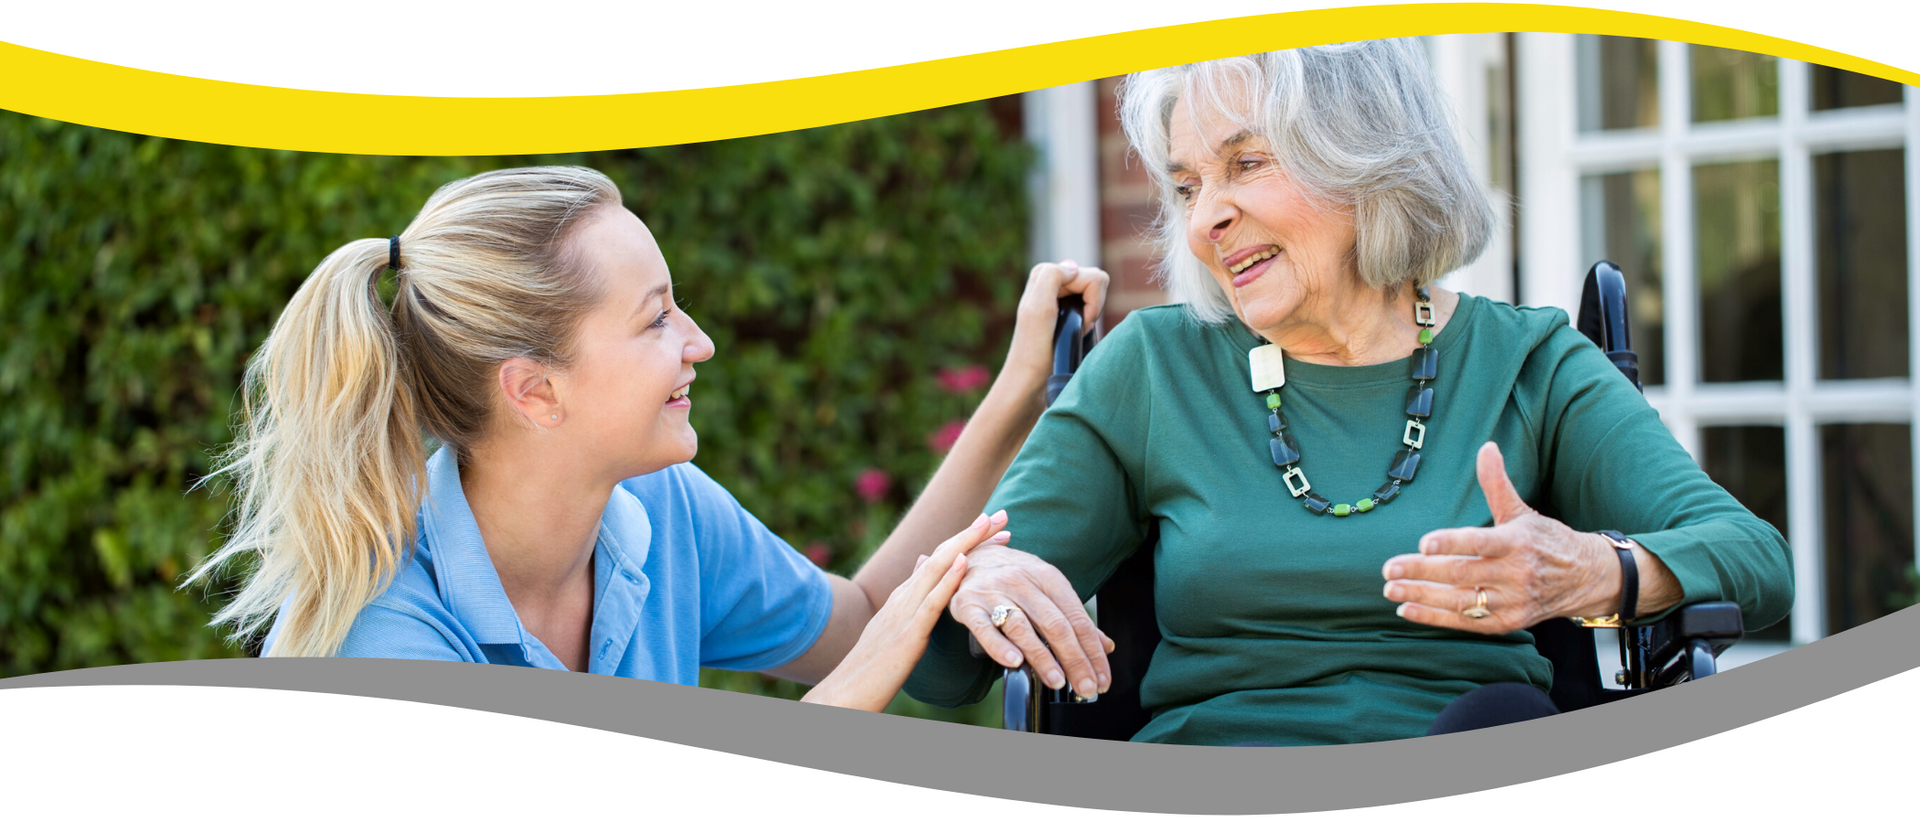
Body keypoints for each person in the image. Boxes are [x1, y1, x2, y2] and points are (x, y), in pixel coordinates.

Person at [903, 40, 1795, 744]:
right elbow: (942, 671)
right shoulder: (1155, 368)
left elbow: (1754, 559)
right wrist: (978, 578)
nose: (1205, 216)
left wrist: (1596, 571)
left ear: (1367, 160)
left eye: (1246, 163)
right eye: (1187, 185)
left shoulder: (1528, 360)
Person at [184, 166, 1109, 712]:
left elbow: (860, 621)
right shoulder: (384, 649)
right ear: (536, 391)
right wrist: (869, 670)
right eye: (656, 318)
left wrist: (1021, 386)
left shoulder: (652, 513)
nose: (699, 342)